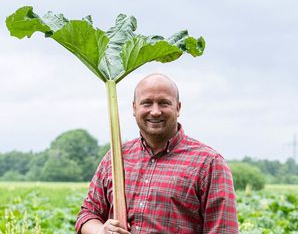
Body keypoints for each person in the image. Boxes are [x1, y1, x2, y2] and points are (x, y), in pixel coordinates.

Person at [75, 73, 239, 234]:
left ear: (178, 107)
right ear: (134, 108)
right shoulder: (115, 158)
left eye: (164, 103)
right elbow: (88, 214)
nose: (155, 111)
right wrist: (100, 230)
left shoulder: (209, 164)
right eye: (146, 103)